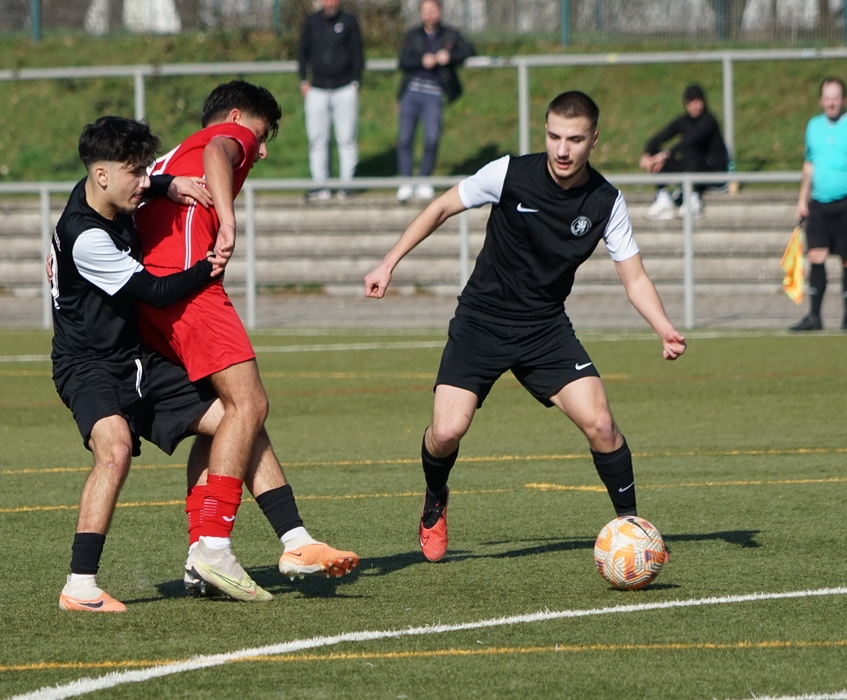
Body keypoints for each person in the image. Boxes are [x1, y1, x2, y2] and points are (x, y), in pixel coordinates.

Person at [364, 91, 687, 563]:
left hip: (544, 329)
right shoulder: (509, 173)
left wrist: (664, 327)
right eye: (554, 136)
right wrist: (388, 262)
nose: (563, 149)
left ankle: (633, 530)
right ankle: (435, 496)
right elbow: (440, 208)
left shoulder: (605, 201)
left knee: (601, 424)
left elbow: (634, 277)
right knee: (447, 432)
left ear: (593, 140)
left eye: (575, 139)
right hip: (481, 321)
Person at [134, 81, 359, 597]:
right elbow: (220, 148)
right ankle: (215, 545)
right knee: (250, 404)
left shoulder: (170, 158)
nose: (260, 149)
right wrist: (230, 221)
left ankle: (267, 544)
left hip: (150, 297)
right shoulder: (224, 137)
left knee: (225, 420)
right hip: (187, 290)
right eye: (261, 134)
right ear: (237, 117)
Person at [51, 116, 229, 611]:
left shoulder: (105, 191)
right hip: (87, 365)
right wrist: (209, 267)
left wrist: (169, 184)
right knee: (114, 451)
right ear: (103, 174)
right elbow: (154, 291)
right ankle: (79, 586)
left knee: (233, 420)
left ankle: (208, 553)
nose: (143, 181)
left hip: (135, 358)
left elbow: (146, 186)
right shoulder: (86, 236)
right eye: (136, 171)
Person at [395, 0, 474, 204]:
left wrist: (450, 56)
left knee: (431, 139)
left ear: (440, 12)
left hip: (434, 94)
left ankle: (424, 180)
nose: (429, 14)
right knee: (405, 139)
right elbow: (403, 61)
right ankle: (405, 182)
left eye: (433, 10)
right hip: (411, 93)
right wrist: (421, 60)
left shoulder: (450, 34)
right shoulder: (413, 35)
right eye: (426, 11)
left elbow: (469, 50)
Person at [790, 76, 847, 332]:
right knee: (816, 255)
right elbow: (809, 164)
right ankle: (814, 316)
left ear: (843, 100)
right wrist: (802, 200)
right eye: (827, 98)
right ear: (821, 100)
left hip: (845, 203)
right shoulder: (813, 126)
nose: (831, 102)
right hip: (819, 204)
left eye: (836, 97)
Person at [297, 0, 364, 202]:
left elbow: (358, 52)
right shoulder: (311, 22)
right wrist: (303, 81)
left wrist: (355, 82)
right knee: (317, 140)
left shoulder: (349, 21)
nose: (330, 2)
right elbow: (302, 52)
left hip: (344, 88)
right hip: (317, 89)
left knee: (346, 139)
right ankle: (321, 187)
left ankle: (346, 186)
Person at [640, 84, 729, 220]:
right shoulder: (683, 121)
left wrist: (663, 156)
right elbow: (659, 137)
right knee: (657, 152)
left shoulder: (709, 120)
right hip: (693, 167)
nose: (694, 105)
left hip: (713, 170)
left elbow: (689, 140)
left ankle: (693, 200)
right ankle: (664, 199)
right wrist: (647, 154)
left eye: (697, 101)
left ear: (703, 101)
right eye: (690, 101)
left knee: (690, 151)